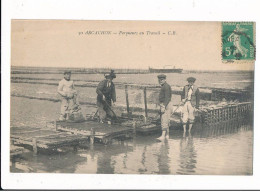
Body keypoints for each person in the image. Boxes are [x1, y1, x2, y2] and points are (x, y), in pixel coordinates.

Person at [157, 74, 173, 141]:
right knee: (167, 119)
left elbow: (167, 98)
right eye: (159, 80)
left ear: (165, 79)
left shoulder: (166, 86)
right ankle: (167, 135)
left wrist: (163, 106)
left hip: (166, 104)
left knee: (164, 119)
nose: (160, 81)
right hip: (166, 104)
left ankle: (163, 136)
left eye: (162, 80)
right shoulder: (165, 86)